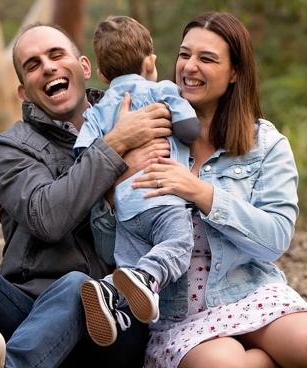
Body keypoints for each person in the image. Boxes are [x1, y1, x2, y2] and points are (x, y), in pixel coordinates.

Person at [129, 11, 307, 368]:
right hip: (181, 314)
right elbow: (119, 232)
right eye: (184, 55)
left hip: (249, 291)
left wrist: (202, 193)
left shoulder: (266, 144)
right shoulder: (151, 134)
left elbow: (275, 238)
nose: (189, 67)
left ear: (234, 74)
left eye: (206, 58)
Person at [0, 23, 172, 368]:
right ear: (24, 92)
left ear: (84, 67)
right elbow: (46, 217)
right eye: (33, 64)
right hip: (27, 311)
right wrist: (114, 146)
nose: (48, 67)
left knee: (78, 287)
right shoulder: (6, 148)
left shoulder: (138, 114)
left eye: (56, 54)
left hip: (111, 319)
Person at [73, 15, 200, 347]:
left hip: (125, 210)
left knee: (126, 266)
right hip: (164, 198)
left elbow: (86, 156)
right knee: (177, 247)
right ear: (151, 61)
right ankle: (148, 276)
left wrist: (119, 141)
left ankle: (109, 292)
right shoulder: (163, 90)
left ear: (101, 74)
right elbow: (190, 131)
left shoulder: (97, 110)